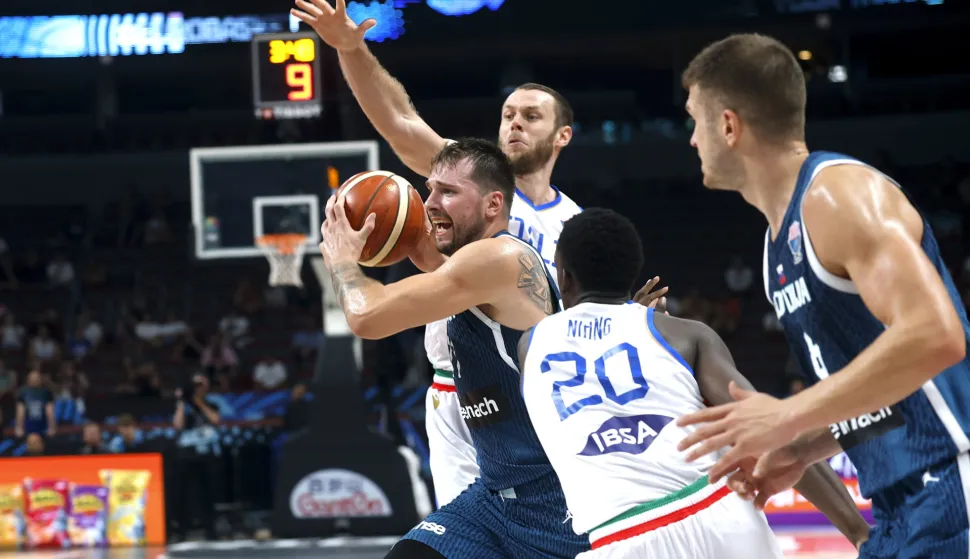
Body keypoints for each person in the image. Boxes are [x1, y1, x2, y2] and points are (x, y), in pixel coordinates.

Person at [293, 0, 669, 506]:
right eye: (508, 114)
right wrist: (351, 48)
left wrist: (624, 321)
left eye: (531, 117)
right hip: (461, 393)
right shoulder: (462, 182)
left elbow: (579, 317)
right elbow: (400, 121)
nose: (514, 124)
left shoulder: (576, 225)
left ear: (562, 136)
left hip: (538, 392)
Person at [673, 33, 970, 558]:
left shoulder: (838, 196)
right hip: (900, 505)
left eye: (695, 120)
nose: (692, 138)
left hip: (951, 483)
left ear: (728, 125)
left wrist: (788, 414)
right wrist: (802, 447)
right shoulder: (775, 246)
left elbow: (937, 336)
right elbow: (889, 393)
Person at [518, 208, 869, 557]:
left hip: (623, 537)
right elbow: (769, 430)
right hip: (720, 514)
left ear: (563, 277)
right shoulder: (684, 335)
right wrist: (857, 530)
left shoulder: (530, 345)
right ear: (631, 273)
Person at [320, 138, 589, 558]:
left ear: (493, 204)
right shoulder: (473, 266)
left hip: (553, 499)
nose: (430, 203)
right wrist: (399, 229)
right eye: (429, 190)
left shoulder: (498, 259)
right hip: (495, 498)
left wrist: (341, 261)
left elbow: (367, 318)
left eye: (448, 192)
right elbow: (434, 263)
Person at [15, 369, 55, 438]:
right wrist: (19, 427)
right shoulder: (23, 392)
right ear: (28, 380)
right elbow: (20, 412)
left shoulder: (46, 392)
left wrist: (52, 427)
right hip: (28, 425)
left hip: (42, 425)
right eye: (32, 378)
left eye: (36, 378)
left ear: (40, 379)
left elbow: (50, 412)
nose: (34, 380)